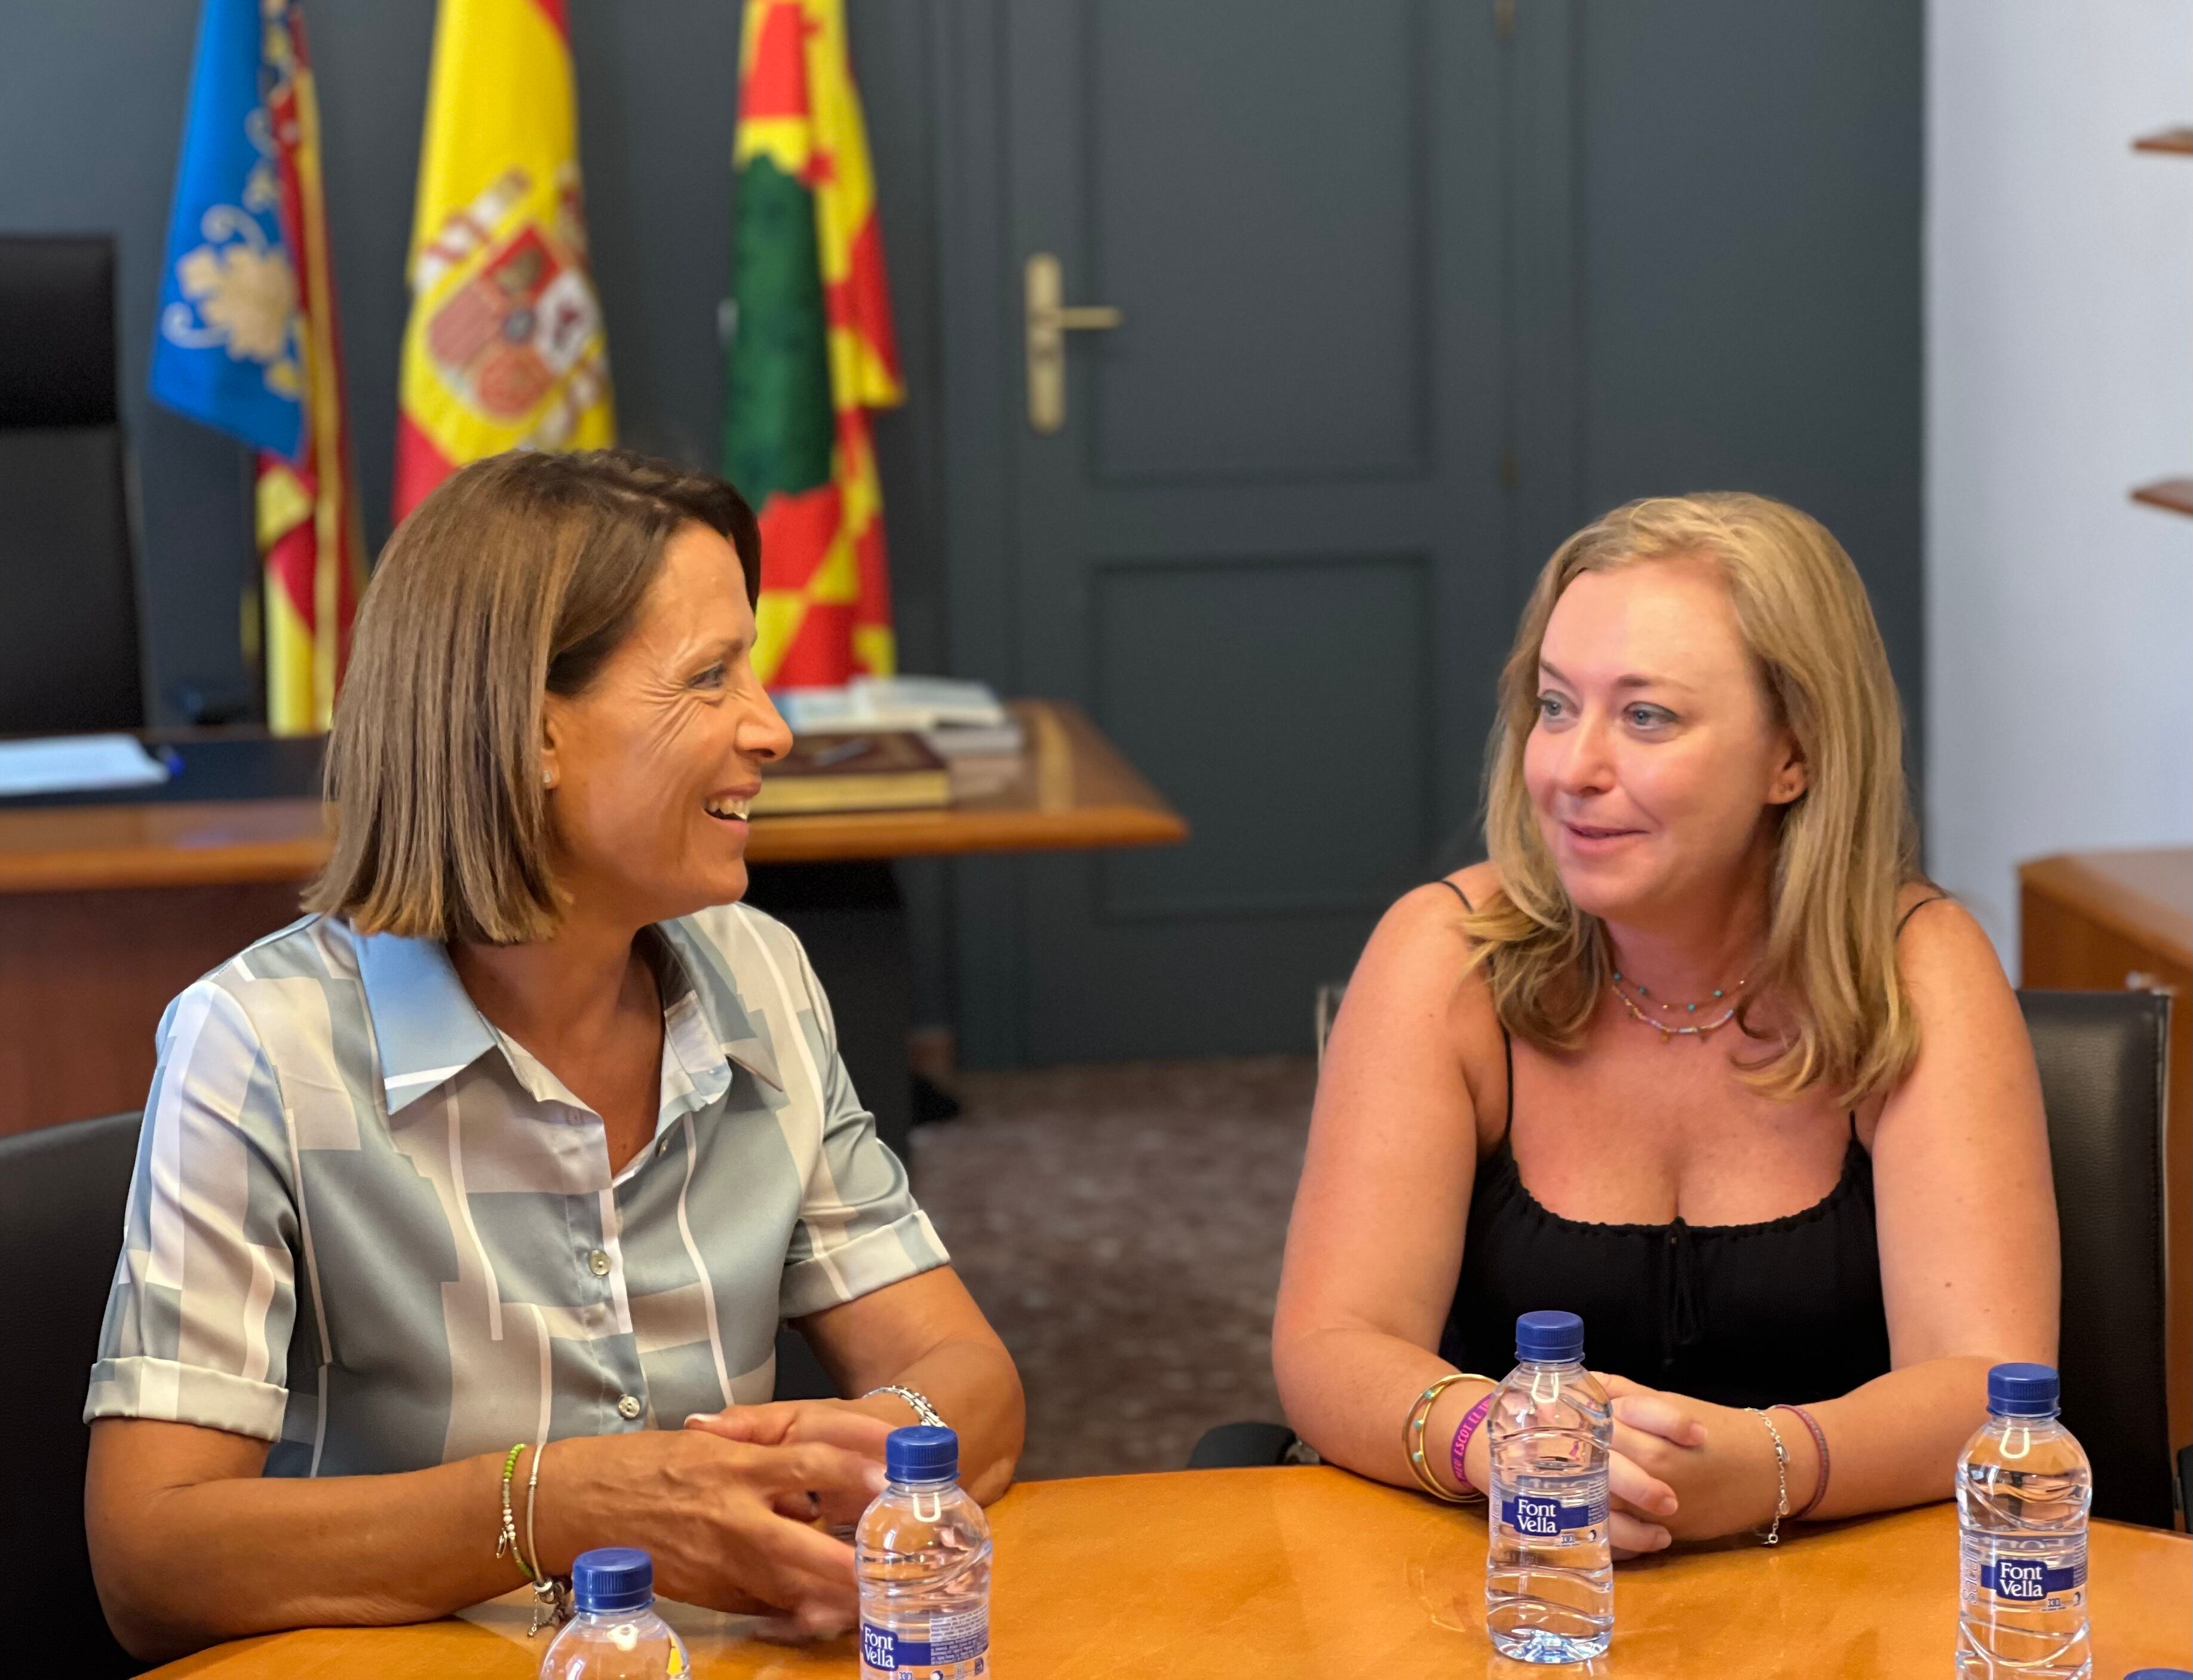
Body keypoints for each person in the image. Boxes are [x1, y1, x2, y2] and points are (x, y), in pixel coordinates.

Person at [84, 449, 1024, 1660]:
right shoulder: (259, 1041)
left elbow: (974, 1384)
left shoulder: (762, 975)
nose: (773, 726)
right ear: (532, 733)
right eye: (711, 677)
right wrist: (560, 1507)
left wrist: (873, 1443)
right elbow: (151, 1555)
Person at [1272, 493, 2057, 1553]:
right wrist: (1498, 1440)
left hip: (1847, 1601)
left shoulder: (1917, 969)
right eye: (1556, 707)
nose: (1572, 771)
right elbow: (1333, 1342)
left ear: (1797, 754)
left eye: (1646, 717)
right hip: (1511, 1585)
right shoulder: (1446, 954)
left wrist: (1770, 1467)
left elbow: (1988, 1384)